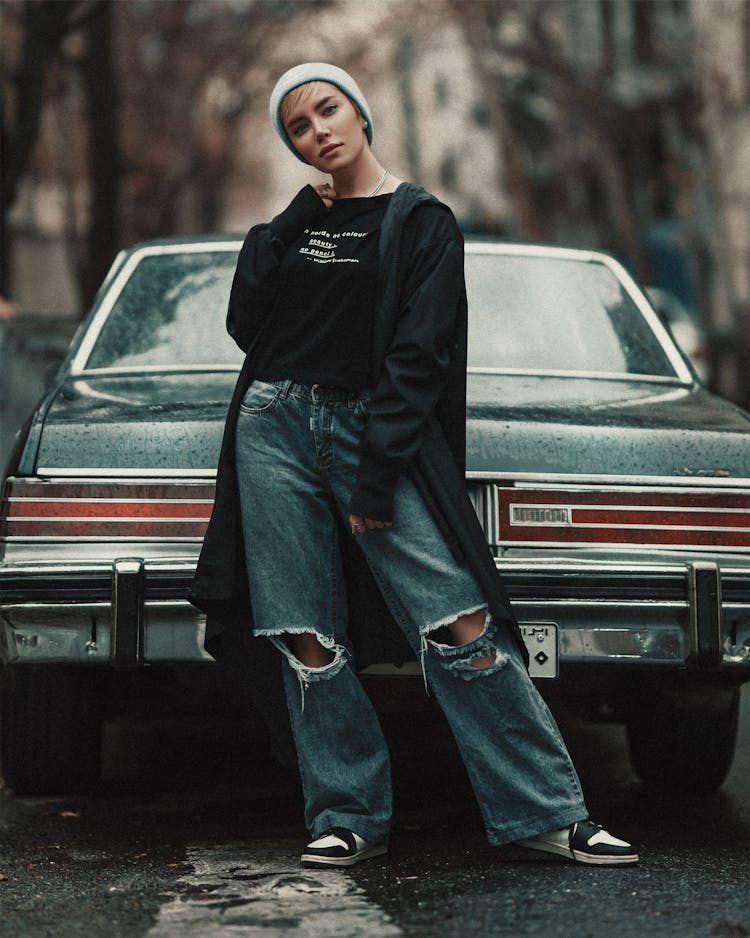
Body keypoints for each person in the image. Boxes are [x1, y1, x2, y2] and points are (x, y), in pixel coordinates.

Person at [190, 62, 638, 869]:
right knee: (304, 636)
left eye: (328, 109)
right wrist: (292, 218)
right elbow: (244, 321)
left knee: (456, 621)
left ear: (360, 112)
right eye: (298, 125)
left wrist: (375, 471)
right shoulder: (288, 227)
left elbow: (419, 355)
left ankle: (548, 812)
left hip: (370, 428)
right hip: (272, 425)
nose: (318, 130)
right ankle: (347, 813)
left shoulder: (422, 221)